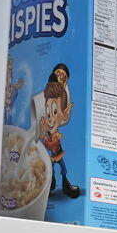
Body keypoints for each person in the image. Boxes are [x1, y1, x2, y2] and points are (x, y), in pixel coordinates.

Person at [39, 63, 81, 198]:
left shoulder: (64, 95)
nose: (50, 118)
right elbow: (49, 145)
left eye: (55, 112)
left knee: (63, 169)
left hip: (58, 154)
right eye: (48, 113)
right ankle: (50, 186)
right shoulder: (50, 132)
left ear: (64, 114)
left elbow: (51, 144)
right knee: (52, 170)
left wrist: (45, 136)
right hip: (53, 156)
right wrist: (43, 135)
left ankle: (64, 185)